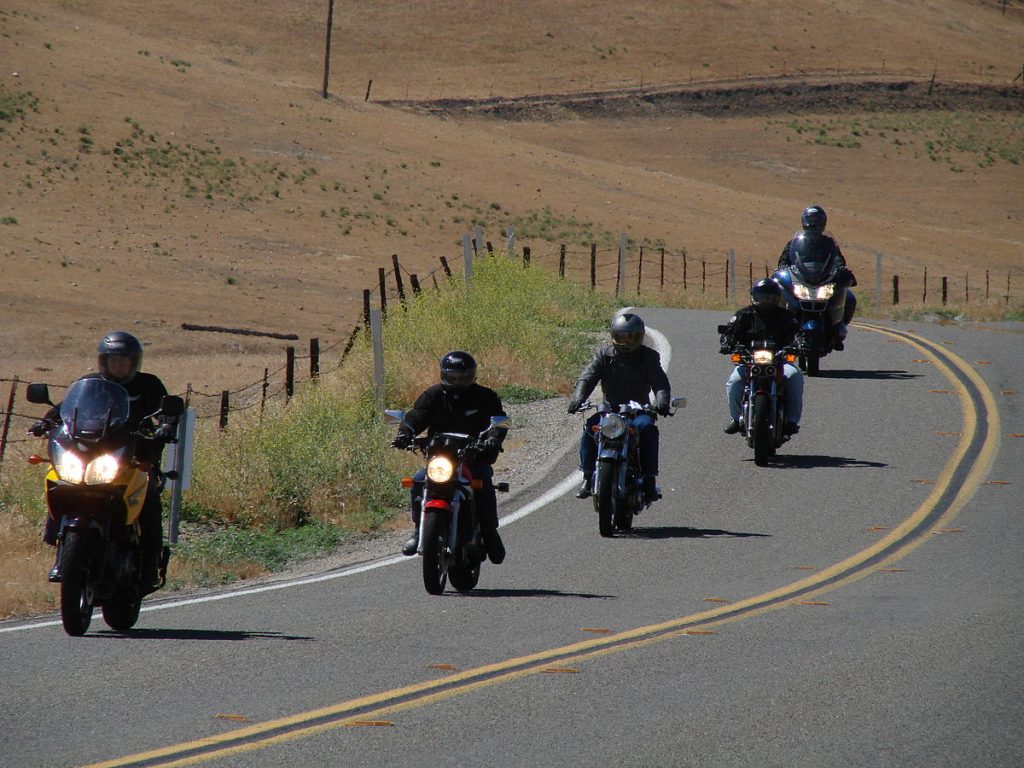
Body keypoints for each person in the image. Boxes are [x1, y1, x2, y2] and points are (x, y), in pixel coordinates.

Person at [31, 331, 177, 588]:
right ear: (103, 362)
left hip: (135, 457)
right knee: (59, 483)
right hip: (92, 454)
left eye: (124, 362)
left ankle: (150, 564)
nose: (119, 366)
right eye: (114, 361)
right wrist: (45, 422)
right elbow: (66, 408)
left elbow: (166, 411)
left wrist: (166, 425)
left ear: (134, 363)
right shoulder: (90, 384)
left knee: (149, 501)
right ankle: (60, 551)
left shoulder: (148, 385)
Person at [392, 350, 508, 564]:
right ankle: (419, 530)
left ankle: (490, 531)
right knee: (418, 481)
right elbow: (416, 415)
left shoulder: (485, 397)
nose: (457, 382)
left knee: (482, 482)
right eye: (452, 377)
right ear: (443, 375)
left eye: (463, 377)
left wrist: (493, 438)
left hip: (473, 457)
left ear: (472, 376)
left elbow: (499, 420)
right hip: (440, 456)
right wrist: (405, 433)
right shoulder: (433, 395)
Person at [567, 312, 672, 504]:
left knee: (648, 430)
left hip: (638, 411)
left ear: (639, 336)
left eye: (631, 336)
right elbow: (587, 378)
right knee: (590, 427)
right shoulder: (604, 355)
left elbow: (660, 384)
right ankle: (588, 477)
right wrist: (578, 398)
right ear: (613, 335)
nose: (626, 341)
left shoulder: (649, 357)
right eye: (621, 336)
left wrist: (662, 402)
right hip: (609, 411)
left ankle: (649, 480)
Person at [720, 280, 804, 436]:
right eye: (762, 296)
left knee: (794, 377)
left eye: (769, 297)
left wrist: (800, 344)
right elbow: (730, 331)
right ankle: (736, 419)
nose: (766, 300)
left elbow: (798, 332)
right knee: (734, 382)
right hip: (749, 360)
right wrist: (727, 342)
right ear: (753, 296)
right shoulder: (743, 315)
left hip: (779, 359)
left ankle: (792, 421)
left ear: (777, 298)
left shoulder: (785, 316)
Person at [777, 204, 857, 349]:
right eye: (811, 219)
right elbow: (785, 258)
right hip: (802, 279)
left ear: (823, 221)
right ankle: (780, 327)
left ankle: (838, 328)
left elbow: (837, 258)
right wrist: (783, 267)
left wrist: (841, 268)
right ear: (804, 220)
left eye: (816, 219)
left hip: (823, 279)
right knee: (780, 292)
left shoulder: (829, 242)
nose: (813, 223)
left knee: (850, 298)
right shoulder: (795, 242)